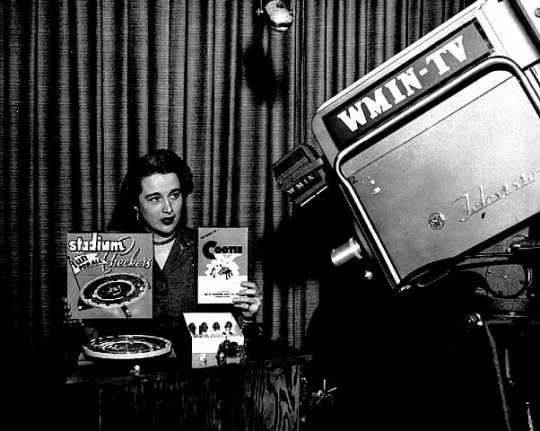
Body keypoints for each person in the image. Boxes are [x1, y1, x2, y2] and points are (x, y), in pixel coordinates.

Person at [64, 149, 261, 359]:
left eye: (174, 195)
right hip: (130, 380)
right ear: (135, 204)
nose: (169, 208)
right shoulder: (110, 253)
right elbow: (96, 343)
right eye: (155, 199)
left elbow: (233, 350)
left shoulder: (210, 248)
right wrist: (78, 320)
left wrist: (247, 317)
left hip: (194, 381)